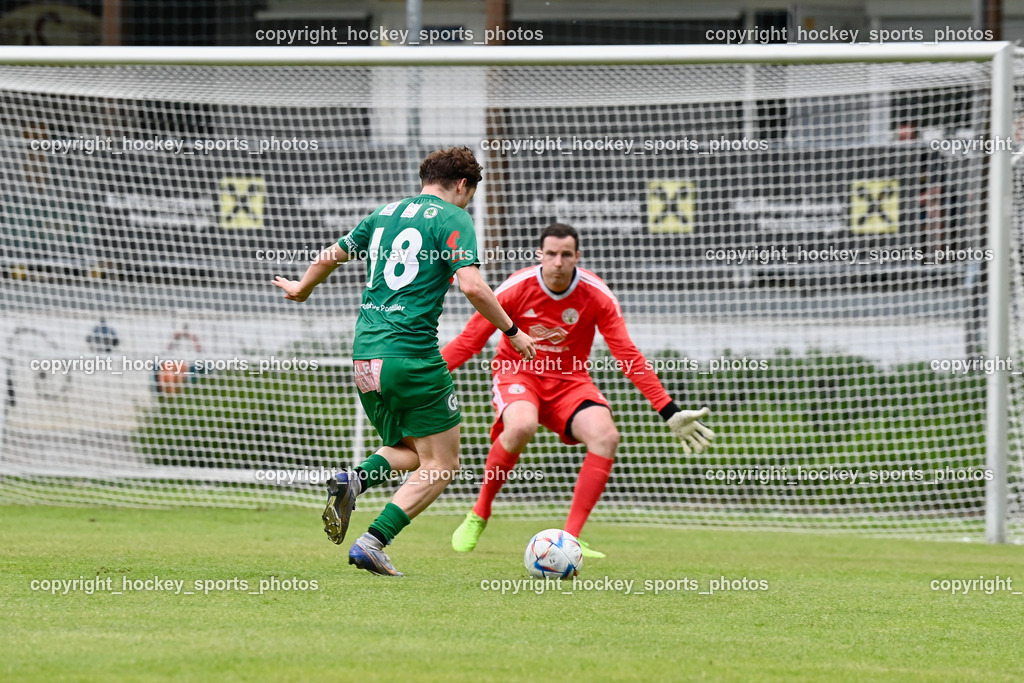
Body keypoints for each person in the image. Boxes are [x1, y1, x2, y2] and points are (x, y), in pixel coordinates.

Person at [273, 146, 535, 576]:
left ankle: (355, 479)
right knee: (443, 464)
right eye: (470, 194)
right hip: (410, 354)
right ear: (463, 185)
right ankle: (374, 541)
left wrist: (303, 288)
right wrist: (512, 330)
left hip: (365, 356)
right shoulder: (453, 218)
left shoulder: (384, 214)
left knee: (413, 450)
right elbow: (472, 286)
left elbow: (332, 253)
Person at [444, 223, 713, 558]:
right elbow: (469, 342)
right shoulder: (515, 288)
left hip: (570, 382)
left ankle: (569, 539)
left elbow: (627, 355)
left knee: (606, 437)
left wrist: (668, 410)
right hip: (519, 373)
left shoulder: (596, 295)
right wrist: (421, 376)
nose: (558, 262)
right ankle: (480, 512)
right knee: (522, 426)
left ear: (577, 257)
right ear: (539, 255)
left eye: (566, 255)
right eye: (551, 254)